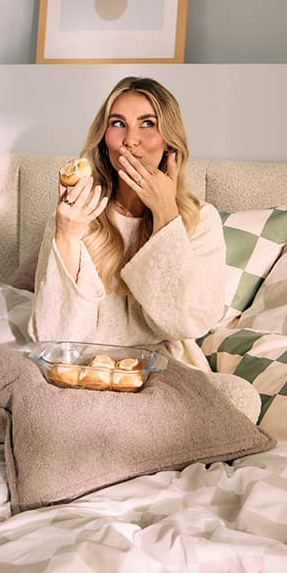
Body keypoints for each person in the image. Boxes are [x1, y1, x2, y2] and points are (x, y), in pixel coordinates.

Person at [29, 76, 226, 372]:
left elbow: (185, 323)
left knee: (240, 397)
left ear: (169, 144)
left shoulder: (201, 221)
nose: (130, 140)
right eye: (118, 124)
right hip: (84, 371)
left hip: (164, 373)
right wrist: (67, 236)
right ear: (103, 138)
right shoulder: (76, 214)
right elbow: (54, 337)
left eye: (147, 124)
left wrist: (165, 215)